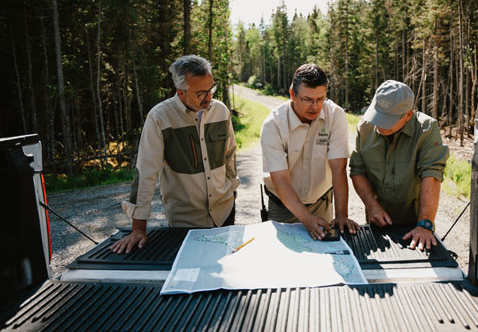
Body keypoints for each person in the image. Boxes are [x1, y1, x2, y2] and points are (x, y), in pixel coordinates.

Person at [111, 55, 239, 254]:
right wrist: (138, 228)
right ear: (181, 93)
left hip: (224, 212)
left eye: (211, 89)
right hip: (184, 221)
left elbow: (230, 153)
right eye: (201, 93)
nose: (209, 97)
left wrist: (232, 187)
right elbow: (145, 172)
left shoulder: (221, 111)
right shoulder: (159, 117)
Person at [260, 64, 358, 240]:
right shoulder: (273, 125)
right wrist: (306, 218)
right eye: (307, 99)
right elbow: (280, 180)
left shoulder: (335, 116)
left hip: (321, 203)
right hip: (283, 206)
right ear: (292, 94)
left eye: (320, 99)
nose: (315, 106)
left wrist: (342, 215)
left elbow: (339, 168)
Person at [349, 80, 449, 251]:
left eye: (387, 120)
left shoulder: (426, 129)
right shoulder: (364, 128)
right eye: (378, 116)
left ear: (408, 115)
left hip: (415, 223)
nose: (379, 125)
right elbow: (357, 171)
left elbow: (431, 175)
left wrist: (425, 223)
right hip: (376, 223)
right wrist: (372, 205)